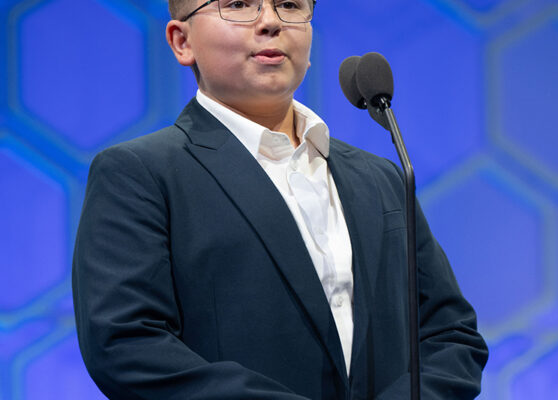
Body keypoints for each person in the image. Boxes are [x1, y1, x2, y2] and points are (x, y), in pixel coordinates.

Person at [72, 0, 488, 399]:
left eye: (290, 4)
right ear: (182, 41)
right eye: (237, 4)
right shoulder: (140, 173)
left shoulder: (379, 177)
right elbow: (127, 343)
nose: (271, 21)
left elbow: (451, 334)